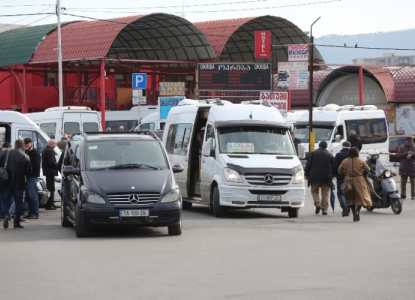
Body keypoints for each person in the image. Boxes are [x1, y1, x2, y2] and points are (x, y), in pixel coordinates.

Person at [0, 139, 31, 229]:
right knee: (18, 203)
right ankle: (16, 222)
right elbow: (28, 172)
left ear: (14, 144)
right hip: (19, 183)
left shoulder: (5, 153)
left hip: (6, 181)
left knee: (3, 200)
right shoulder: (25, 157)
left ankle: (5, 214)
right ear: (23, 146)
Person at [338, 147, 372, 222]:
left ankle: (354, 214)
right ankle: (358, 210)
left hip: (348, 181)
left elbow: (339, 170)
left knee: (350, 198)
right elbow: (368, 170)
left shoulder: (345, 161)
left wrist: (345, 174)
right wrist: (362, 173)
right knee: (360, 196)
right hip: (359, 180)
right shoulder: (361, 161)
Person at [304, 141, 333, 215]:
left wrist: (306, 174)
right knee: (325, 194)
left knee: (314, 191)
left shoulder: (313, 153)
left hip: (315, 176)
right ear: (326, 147)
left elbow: (308, 164)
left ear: (319, 146)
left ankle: (318, 204)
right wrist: (332, 175)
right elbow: (333, 166)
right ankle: (325, 210)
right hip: (326, 177)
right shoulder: (330, 154)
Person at [23, 138, 41, 219]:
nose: (26, 145)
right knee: (27, 196)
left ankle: (35, 213)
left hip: (32, 176)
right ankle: (30, 212)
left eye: (27, 143)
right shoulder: (26, 152)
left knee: (33, 196)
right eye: (25, 143)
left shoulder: (35, 153)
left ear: (31, 143)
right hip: (27, 176)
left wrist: (26, 166)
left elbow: (35, 164)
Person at [332, 141, 351, 216]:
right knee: (349, 193)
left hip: (341, 177)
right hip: (351, 177)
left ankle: (344, 206)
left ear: (342, 147)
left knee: (341, 193)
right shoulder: (353, 155)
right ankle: (349, 207)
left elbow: (335, 166)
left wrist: (333, 175)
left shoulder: (338, 155)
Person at [42, 139, 58, 210]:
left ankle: (51, 203)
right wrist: (57, 165)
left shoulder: (46, 150)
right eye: (54, 143)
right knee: (51, 188)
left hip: (48, 172)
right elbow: (51, 162)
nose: (55, 145)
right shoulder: (49, 151)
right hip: (50, 172)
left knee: (51, 188)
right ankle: (49, 204)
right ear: (50, 144)